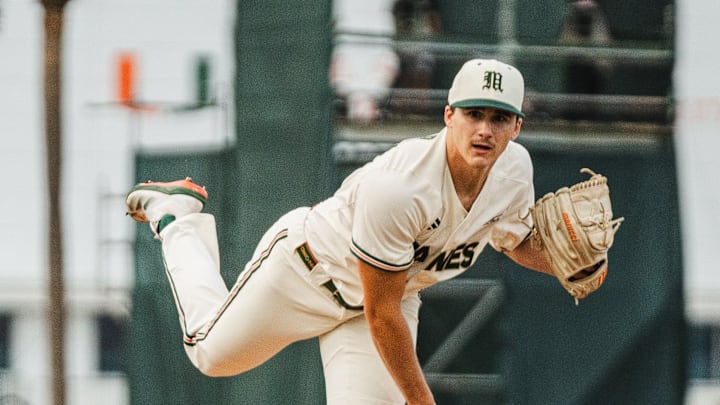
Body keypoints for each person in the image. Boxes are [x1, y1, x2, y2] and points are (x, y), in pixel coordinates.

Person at [125, 58, 553, 405]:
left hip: (382, 301)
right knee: (210, 354)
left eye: (499, 118)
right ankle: (176, 216)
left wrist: (573, 266)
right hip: (307, 272)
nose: (484, 129)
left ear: (517, 127)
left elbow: (514, 240)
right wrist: (421, 401)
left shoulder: (514, 171)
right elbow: (381, 315)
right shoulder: (401, 187)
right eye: (473, 114)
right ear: (448, 116)